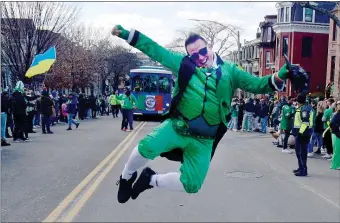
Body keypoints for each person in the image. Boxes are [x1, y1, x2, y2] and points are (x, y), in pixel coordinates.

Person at [111, 24, 293, 203]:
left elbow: (257, 84)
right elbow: (156, 51)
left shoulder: (230, 70)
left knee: (192, 184)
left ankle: (149, 180)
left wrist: (281, 75)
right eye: (194, 55)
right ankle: (126, 177)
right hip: (177, 127)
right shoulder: (184, 64)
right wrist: (127, 34)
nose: (200, 57)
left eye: (202, 51)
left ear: (210, 46)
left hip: (204, 140)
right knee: (145, 147)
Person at [292, 93, 314, 177]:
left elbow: (305, 122)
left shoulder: (304, 109)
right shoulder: (304, 108)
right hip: (304, 133)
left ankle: (303, 170)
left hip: (303, 134)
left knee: (300, 152)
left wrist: (300, 132)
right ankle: (301, 167)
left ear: (298, 100)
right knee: (301, 152)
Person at [330, 100, 340, 170]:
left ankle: (336, 164)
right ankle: (335, 165)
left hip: (337, 134)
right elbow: (331, 124)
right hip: (336, 134)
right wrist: (338, 127)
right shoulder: (336, 115)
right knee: (337, 150)